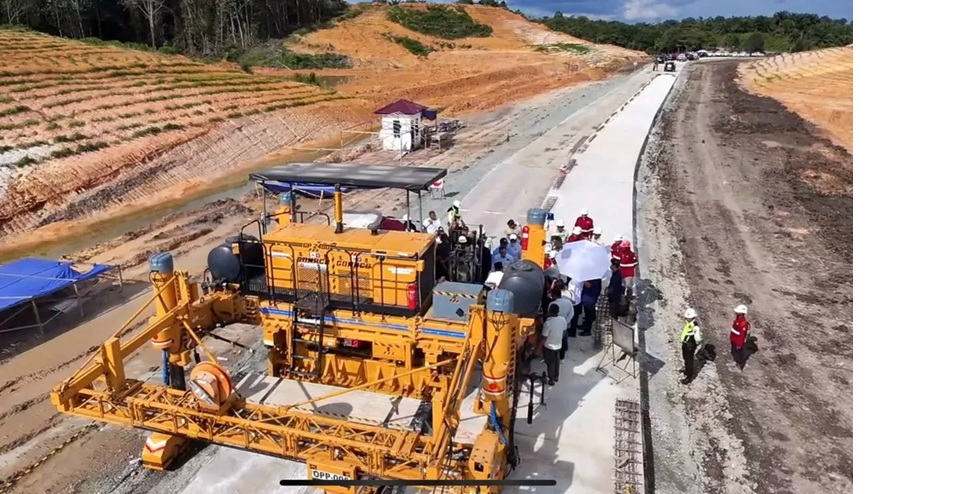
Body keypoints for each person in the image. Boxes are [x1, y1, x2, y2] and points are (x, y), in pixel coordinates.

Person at [541, 303, 565, 385]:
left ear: (549, 311)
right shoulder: (562, 320)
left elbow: (544, 337)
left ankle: (550, 379)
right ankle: (556, 376)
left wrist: (538, 348)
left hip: (549, 346)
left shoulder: (547, 323)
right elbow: (564, 331)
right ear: (558, 311)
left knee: (550, 363)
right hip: (558, 344)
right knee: (556, 361)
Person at [549, 287, 575, 361]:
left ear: (553, 295)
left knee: (553, 341)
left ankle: (552, 357)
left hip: (554, 325)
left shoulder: (552, 304)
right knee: (563, 340)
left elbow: (550, 314)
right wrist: (566, 322)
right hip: (565, 325)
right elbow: (571, 314)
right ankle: (562, 357)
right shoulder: (568, 302)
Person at [680, 308, 703, 384]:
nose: (686, 318)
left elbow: (698, 339)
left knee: (689, 360)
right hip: (685, 343)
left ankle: (689, 377)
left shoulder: (695, 326)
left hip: (690, 345)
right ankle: (686, 370)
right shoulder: (688, 323)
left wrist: (695, 344)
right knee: (685, 358)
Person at [730, 305, 751, 370]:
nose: (736, 313)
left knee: (738, 354)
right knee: (733, 352)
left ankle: (739, 365)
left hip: (737, 342)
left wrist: (739, 344)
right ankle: (736, 362)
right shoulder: (738, 319)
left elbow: (742, 335)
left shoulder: (743, 323)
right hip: (734, 339)